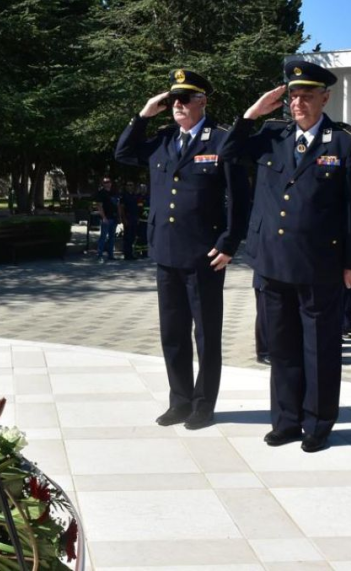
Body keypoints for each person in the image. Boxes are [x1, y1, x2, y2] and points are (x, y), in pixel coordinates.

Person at [218, 60, 351, 452]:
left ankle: (318, 424)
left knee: (319, 349)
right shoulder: (271, 137)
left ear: (325, 97)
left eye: (307, 95)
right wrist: (251, 115)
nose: (298, 102)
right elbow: (227, 153)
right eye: (293, 95)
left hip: (320, 264)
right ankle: (285, 421)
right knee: (282, 348)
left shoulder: (345, 143)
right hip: (272, 262)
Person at [115, 69, 250, 430]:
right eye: (173, 98)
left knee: (206, 334)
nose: (177, 104)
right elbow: (124, 153)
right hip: (166, 252)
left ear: (202, 101)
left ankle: (204, 404)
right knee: (172, 333)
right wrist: (144, 114)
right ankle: (180, 400)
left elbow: (240, 197)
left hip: (205, 254)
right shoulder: (162, 140)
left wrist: (230, 243)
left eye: (185, 98)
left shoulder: (221, 140)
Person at [94, 177, 117, 262]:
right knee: (103, 237)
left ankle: (111, 255)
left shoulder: (113, 192)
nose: (107, 183)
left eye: (109, 182)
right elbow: (99, 206)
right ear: (103, 184)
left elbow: (117, 205)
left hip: (114, 218)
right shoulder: (101, 193)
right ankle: (99, 255)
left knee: (112, 237)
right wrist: (104, 217)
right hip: (106, 218)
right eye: (105, 182)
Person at [119, 182, 140, 260]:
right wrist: (124, 219)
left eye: (131, 185)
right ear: (126, 187)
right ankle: (127, 255)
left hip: (134, 218)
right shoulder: (124, 196)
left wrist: (137, 218)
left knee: (133, 236)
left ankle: (131, 253)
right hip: (128, 218)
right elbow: (121, 208)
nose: (130, 186)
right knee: (127, 237)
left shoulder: (134, 196)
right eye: (128, 185)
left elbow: (136, 208)